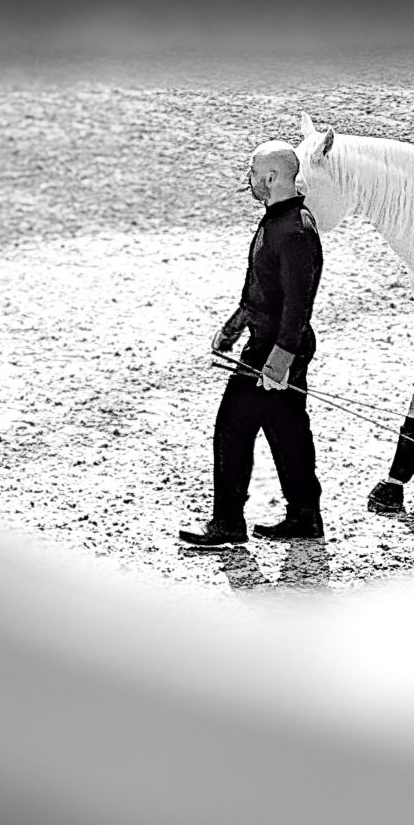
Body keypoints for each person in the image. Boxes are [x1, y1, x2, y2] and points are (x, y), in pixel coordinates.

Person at [179, 140, 326, 549]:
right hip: (270, 341)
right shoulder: (276, 219)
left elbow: (299, 304)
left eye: (252, 174)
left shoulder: (295, 230)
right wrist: (233, 326)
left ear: (272, 178)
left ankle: (228, 522)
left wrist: (280, 359)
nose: (249, 181)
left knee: (232, 427)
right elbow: (259, 289)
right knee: (288, 430)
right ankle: (304, 516)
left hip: (277, 347)